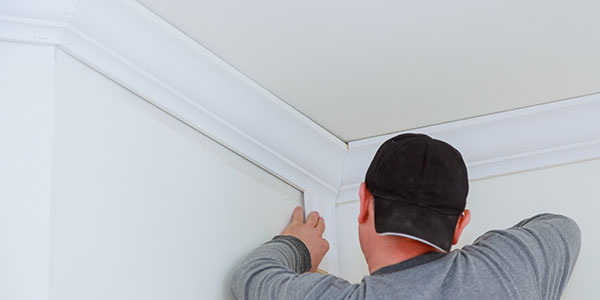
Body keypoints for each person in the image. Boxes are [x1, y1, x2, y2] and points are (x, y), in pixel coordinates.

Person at [231, 133, 581, 300]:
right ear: (460, 224)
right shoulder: (508, 268)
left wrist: (300, 246)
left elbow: (252, 274)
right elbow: (563, 228)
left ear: (364, 201)